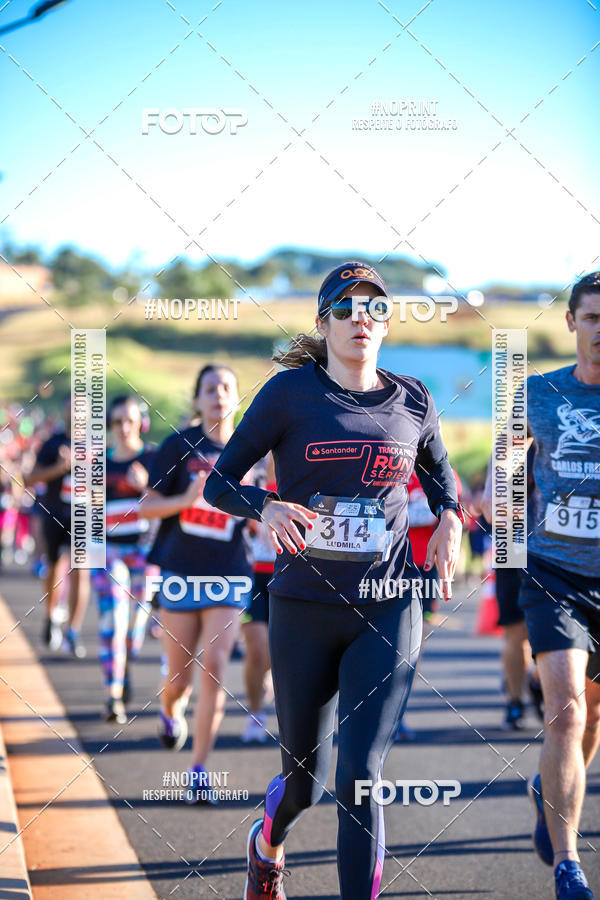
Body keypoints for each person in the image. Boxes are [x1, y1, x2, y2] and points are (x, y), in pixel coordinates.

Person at [204, 261, 463, 900]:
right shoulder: (289, 393)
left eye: (373, 308)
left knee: (362, 776)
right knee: (305, 783)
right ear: (324, 323)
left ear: (387, 321)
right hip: (303, 608)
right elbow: (219, 483)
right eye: (344, 309)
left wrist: (453, 517)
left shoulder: (413, 399)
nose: (359, 320)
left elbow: (439, 472)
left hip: (388, 602)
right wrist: (263, 505)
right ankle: (268, 845)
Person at [482, 271, 600, 900]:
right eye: (593, 318)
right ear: (574, 324)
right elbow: (502, 462)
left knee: (592, 717)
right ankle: (568, 864)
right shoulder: (538, 391)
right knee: (565, 710)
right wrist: (500, 492)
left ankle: (548, 791)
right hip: (553, 575)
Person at [140, 364, 256, 804]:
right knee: (179, 680)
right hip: (181, 572)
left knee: (216, 668)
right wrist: (185, 500)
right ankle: (170, 711)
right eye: (209, 388)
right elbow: (145, 507)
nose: (218, 395)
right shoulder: (179, 444)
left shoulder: (253, 451)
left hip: (229, 573)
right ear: (197, 399)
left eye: (227, 387)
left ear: (237, 397)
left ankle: (199, 769)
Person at [91, 396, 155, 724]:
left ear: (141, 423)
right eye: (118, 422)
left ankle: (125, 666)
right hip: (108, 551)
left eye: (131, 420)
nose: (125, 427)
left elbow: (166, 505)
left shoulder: (154, 457)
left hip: (146, 552)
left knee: (135, 628)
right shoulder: (99, 464)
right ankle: (112, 695)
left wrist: (145, 487)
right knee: (113, 621)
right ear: (111, 426)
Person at [24, 399, 89, 657]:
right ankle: (51, 616)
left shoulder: (98, 445)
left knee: (80, 572)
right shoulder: (53, 443)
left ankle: (73, 631)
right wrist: (60, 467)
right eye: (73, 408)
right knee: (53, 567)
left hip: (85, 518)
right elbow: (30, 477)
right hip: (55, 514)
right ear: (65, 412)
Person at [240, 451, 276, 744]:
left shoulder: (304, 472)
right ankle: (255, 712)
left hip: (290, 574)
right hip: (252, 575)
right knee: (258, 647)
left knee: (280, 652)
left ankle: (267, 677)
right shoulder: (249, 473)